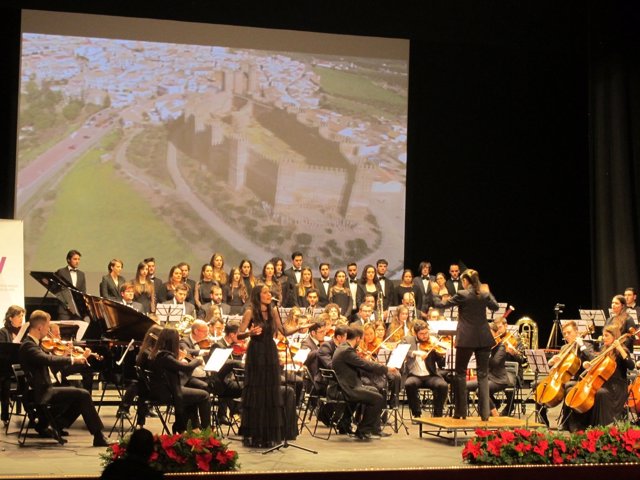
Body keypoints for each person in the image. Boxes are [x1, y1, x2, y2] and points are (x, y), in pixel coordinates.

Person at [18, 310, 108, 446]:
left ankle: (55, 425)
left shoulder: (34, 344)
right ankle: (98, 436)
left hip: (45, 387)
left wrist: (73, 357)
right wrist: (72, 359)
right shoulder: (28, 345)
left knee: (80, 395)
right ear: (40, 327)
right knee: (83, 394)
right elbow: (47, 359)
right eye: (48, 327)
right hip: (42, 391)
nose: (48, 331)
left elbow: (53, 366)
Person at [238, 285, 306, 448]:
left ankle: (268, 435)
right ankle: (256, 434)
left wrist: (300, 327)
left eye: (270, 292)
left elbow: (283, 330)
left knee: (271, 393)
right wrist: (250, 333)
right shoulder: (250, 312)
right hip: (256, 353)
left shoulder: (274, 311)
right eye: (266, 292)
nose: (270, 295)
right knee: (258, 393)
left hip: (270, 352)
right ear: (258, 295)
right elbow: (239, 334)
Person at [433, 268, 499, 421]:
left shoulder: (462, 294)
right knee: (483, 375)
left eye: (463, 281)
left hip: (467, 338)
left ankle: (461, 412)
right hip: (484, 338)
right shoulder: (483, 293)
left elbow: (441, 305)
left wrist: (435, 292)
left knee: (460, 373)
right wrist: (488, 291)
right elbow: (495, 307)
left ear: (466, 281)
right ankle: (484, 414)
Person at [331, 326, 397, 440]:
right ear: (357, 339)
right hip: (348, 388)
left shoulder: (343, 347)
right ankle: (363, 430)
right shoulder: (346, 351)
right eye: (361, 339)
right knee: (377, 398)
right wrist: (386, 369)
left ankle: (374, 429)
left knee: (374, 391)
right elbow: (365, 364)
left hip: (346, 385)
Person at [147, 328, 210, 433]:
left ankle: (193, 427)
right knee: (204, 395)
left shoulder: (159, 354)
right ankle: (206, 430)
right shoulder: (165, 356)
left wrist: (180, 360)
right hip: (167, 392)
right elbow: (187, 368)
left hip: (164, 389)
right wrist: (197, 361)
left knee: (194, 394)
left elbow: (175, 368)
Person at [578, 324, 635, 427]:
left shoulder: (621, 351)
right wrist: (589, 366)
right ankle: (586, 426)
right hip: (605, 383)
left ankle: (601, 427)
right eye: (603, 335)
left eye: (606, 335)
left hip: (617, 388)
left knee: (600, 393)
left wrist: (619, 348)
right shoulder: (604, 350)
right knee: (593, 392)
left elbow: (631, 366)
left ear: (614, 337)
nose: (603, 338)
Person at [403, 321, 449, 418]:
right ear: (415, 334)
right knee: (409, 384)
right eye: (422, 334)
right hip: (415, 375)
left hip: (430, 375)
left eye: (426, 333)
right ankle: (417, 413)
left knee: (443, 385)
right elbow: (402, 351)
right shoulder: (408, 340)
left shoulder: (433, 341)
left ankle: (438, 415)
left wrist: (441, 355)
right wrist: (415, 352)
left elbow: (441, 365)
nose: (425, 336)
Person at [0, 305, 25, 425]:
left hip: (21, 365)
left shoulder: (24, 331)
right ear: (11, 318)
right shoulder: (3, 332)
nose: (21, 318)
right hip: (6, 366)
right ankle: (4, 415)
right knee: (4, 380)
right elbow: (2, 352)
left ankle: (32, 411)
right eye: (19, 316)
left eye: (22, 316)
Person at [55, 249, 87, 319]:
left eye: (78, 259)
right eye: (75, 259)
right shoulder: (61, 272)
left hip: (77, 311)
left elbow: (83, 292)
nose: (77, 261)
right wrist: (67, 305)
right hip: (64, 310)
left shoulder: (81, 274)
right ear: (68, 260)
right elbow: (58, 291)